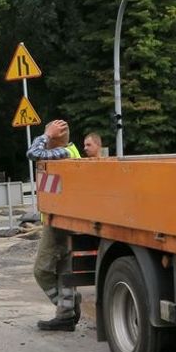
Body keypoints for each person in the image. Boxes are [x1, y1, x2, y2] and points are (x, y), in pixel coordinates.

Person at [27, 120, 100, 331]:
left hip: (58, 222)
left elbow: (32, 153)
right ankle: (66, 316)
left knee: (41, 271)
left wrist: (47, 135)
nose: (45, 140)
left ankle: (65, 306)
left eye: (48, 137)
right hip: (66, 219)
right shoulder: (71, 151)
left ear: (54, 141)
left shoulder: (63, 153)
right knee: (65, 272)